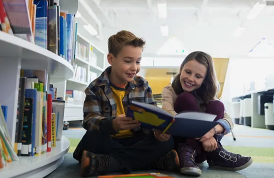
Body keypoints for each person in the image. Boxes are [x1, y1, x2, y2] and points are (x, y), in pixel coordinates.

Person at [73, 30, 179, 177]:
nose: (134, 67)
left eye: (138, 61)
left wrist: (159, 131)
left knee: (167, 141)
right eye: (128, 61)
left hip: (137, 140)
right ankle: (154, 161)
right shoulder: (95, 88)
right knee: (92, 138)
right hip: (109, 140)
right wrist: (111, 124)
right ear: (111, 59)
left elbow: (155, 113)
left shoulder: (142, 84)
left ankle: (107, 163)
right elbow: (89, 121)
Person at [162, 51, 253, 176]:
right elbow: (170, 116)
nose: (190, 78)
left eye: (198, 76)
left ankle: (214, 153)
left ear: (204, 80)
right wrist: (200, 133)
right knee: (185, 98)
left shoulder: (209, 95)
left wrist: (211, 132)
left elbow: (228, 120)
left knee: (218, 105)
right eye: (188, 72)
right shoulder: (169, 90)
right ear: (181, 69)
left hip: (206, 147)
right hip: (181, 147)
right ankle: (205, 153)